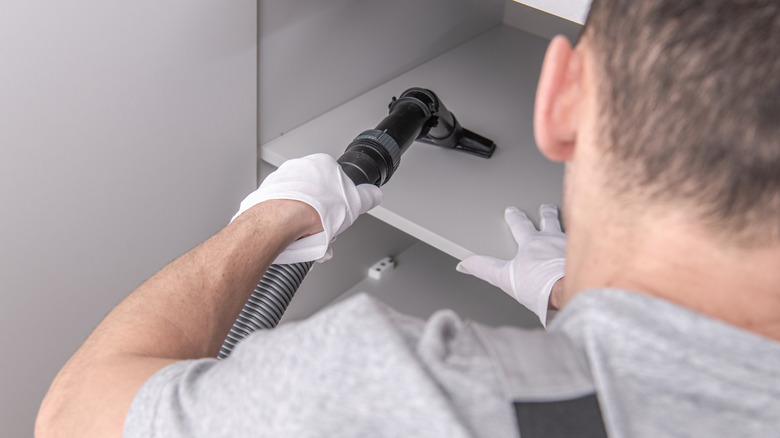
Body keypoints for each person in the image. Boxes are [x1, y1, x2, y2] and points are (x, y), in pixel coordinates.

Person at [36, 0, 780, 436]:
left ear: (558, 98)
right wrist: (571, 304)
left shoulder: (427, 399)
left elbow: (73, 415)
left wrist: (273, 218)